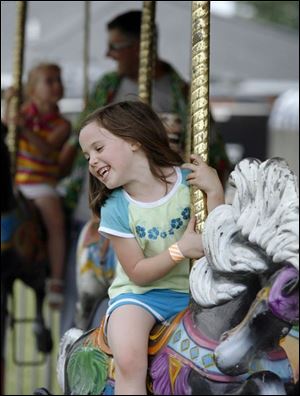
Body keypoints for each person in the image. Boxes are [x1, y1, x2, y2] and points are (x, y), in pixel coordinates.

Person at [58, 10, 230, 335]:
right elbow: (74, 144)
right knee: (82, 287)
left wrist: (212, 186)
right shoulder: (109, 86)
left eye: (117, 46)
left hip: (170, 196)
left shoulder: (182, 90)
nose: (109, 54)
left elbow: (215, 152)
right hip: (110, 209)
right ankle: (78, 338)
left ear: (142, 45)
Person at [78, 100, 225, 395]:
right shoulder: (116, 207)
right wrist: (180, 249)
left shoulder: (189, 184)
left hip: (198, 293)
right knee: (130, 359)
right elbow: (137, 273)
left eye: (98, 148)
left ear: (133, 140)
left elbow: (216, 234)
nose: (92, 161)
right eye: (87, 156)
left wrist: (214, 191)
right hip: (140, 298)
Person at [3, 63, 71, 308]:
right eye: (49, 81)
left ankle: (56, 279)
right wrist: (9, 105)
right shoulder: (23, 113)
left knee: (55, 222)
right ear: (32, 90)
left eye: (58, 80)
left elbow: (48, 149)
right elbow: (6, 129)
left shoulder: (62, 123)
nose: (57, 85)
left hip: (42, 184)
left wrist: (23, 128)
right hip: (18, 183)